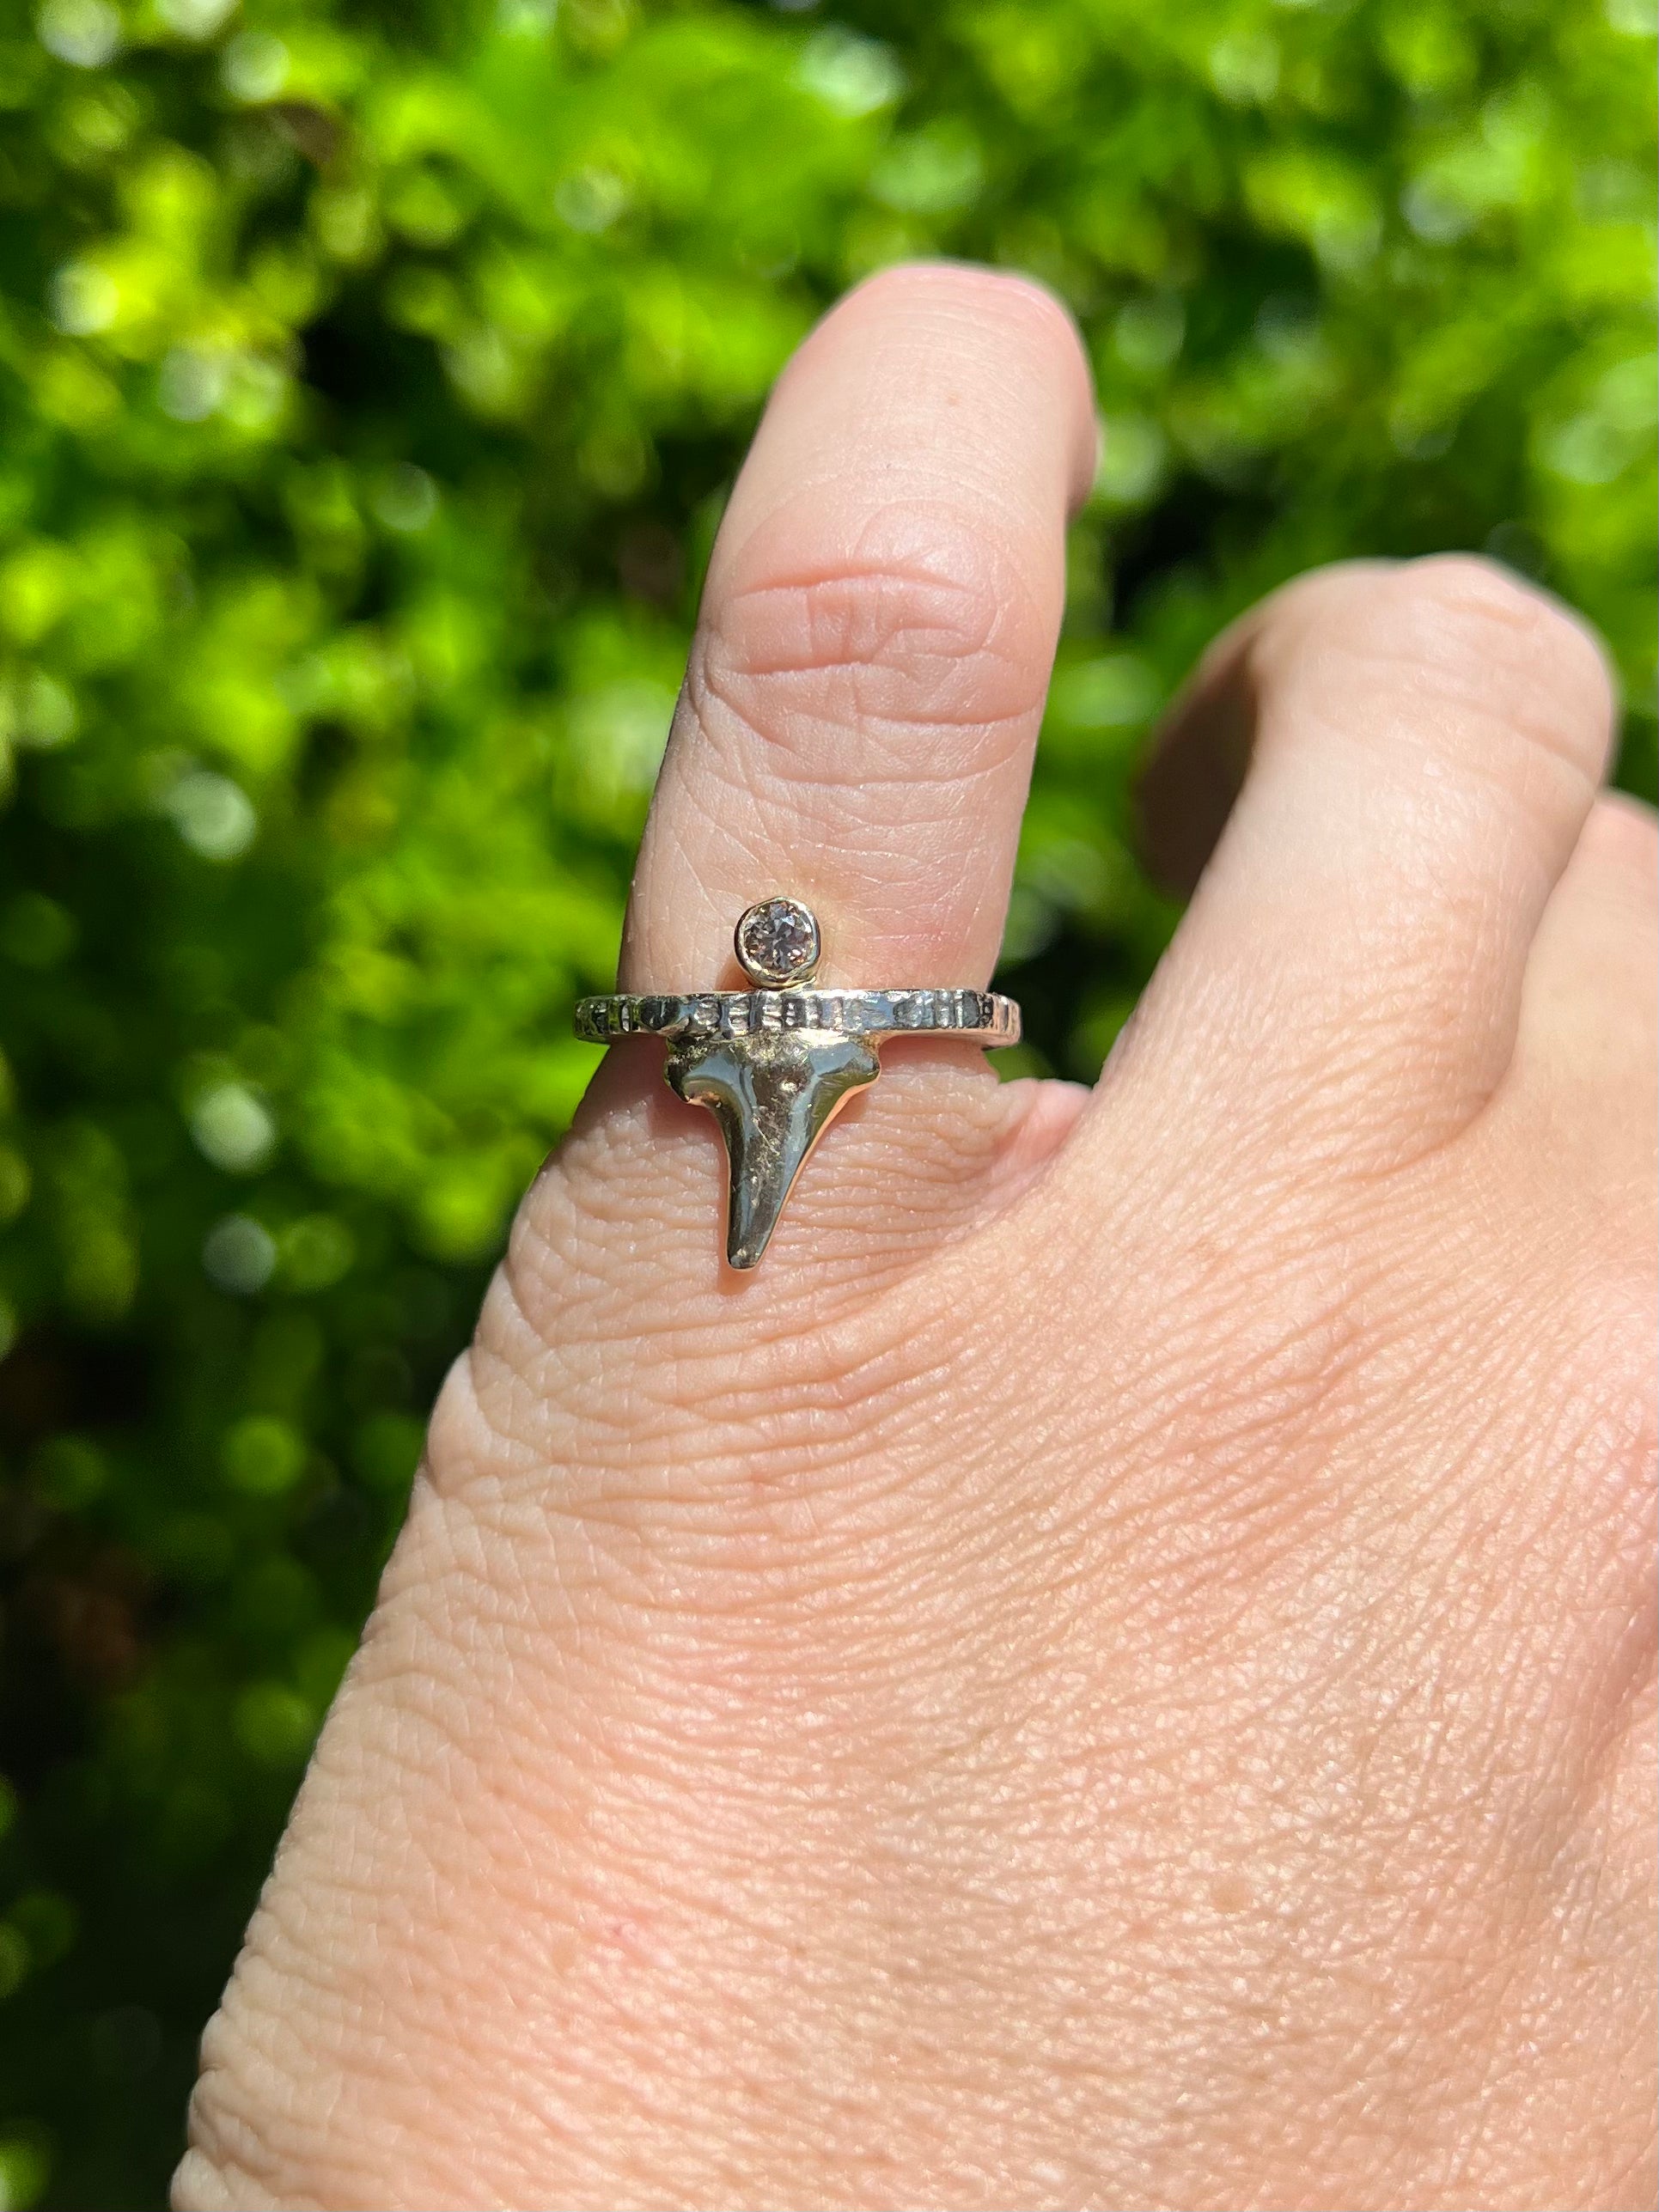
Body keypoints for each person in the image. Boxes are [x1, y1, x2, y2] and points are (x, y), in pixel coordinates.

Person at [174, 265, 1656, 2212]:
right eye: (771, 953)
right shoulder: (739, 1026)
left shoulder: (765, 1022)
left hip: (790, 1082)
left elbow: (784, 1026)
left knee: (766, 1174)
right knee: (762, 1183)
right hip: (766, 1092)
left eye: (786, 950)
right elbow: (698, 1030)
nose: (777, 954)